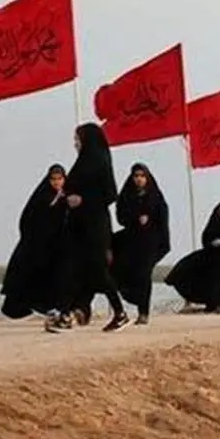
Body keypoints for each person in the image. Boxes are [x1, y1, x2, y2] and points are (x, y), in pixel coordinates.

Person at [49, 123, 129, 333]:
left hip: (94, 226)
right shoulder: (83, 162)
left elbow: (109, 194)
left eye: (78, 139)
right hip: (77, 225)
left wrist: (82, 199)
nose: (75, 144)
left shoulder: (99, 161)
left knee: (99, 271)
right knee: (69, 268)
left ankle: (120, 313)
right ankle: (65, 314)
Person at [0, 164, 69, 320]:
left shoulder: (67, 196)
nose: (56, 182)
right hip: (36, 244)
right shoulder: (42, 195)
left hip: (56, 245)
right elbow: (30, 217)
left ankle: (53, 307)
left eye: (60, 179)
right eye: (53, 179)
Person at [112, 162, 172, 325]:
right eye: (136, 176)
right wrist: (135, 218)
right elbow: (121, 217)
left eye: (142, 176)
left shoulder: (156, 197)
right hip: (132, 239)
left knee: (144, 274)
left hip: (151, 241)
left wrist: (150, 221)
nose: (139, 179)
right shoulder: (127, 195)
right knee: (122, 269)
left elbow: (163, 220)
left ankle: (143, 313)